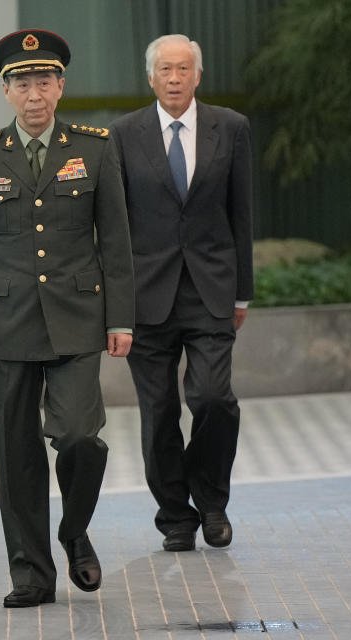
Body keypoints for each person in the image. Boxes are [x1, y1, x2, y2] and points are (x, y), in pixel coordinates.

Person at [0, 29, 134, 608]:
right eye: (22, 83)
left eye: (43, 81)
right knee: (17, 452)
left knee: (80, 437)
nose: (34, 94)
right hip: (6, 321)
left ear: (61, 85)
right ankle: (31, 572)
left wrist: (121, 318)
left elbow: (118, 242)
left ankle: (73, 531)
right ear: (6, 90)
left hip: (80, 315)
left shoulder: (96, 148)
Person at [112, 34, 253, 553]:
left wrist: (243, 293)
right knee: (159, 411)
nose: (174, 78)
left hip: (211, 289)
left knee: (214, 399)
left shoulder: (231, 128)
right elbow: (116, 223)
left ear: (198, 76)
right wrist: (116, 304)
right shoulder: (123, 134)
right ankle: (175, 514)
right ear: (150, 77)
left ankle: (211, 501)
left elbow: (242, 213)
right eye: (165, 70)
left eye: (183, 69)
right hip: (146, 295)